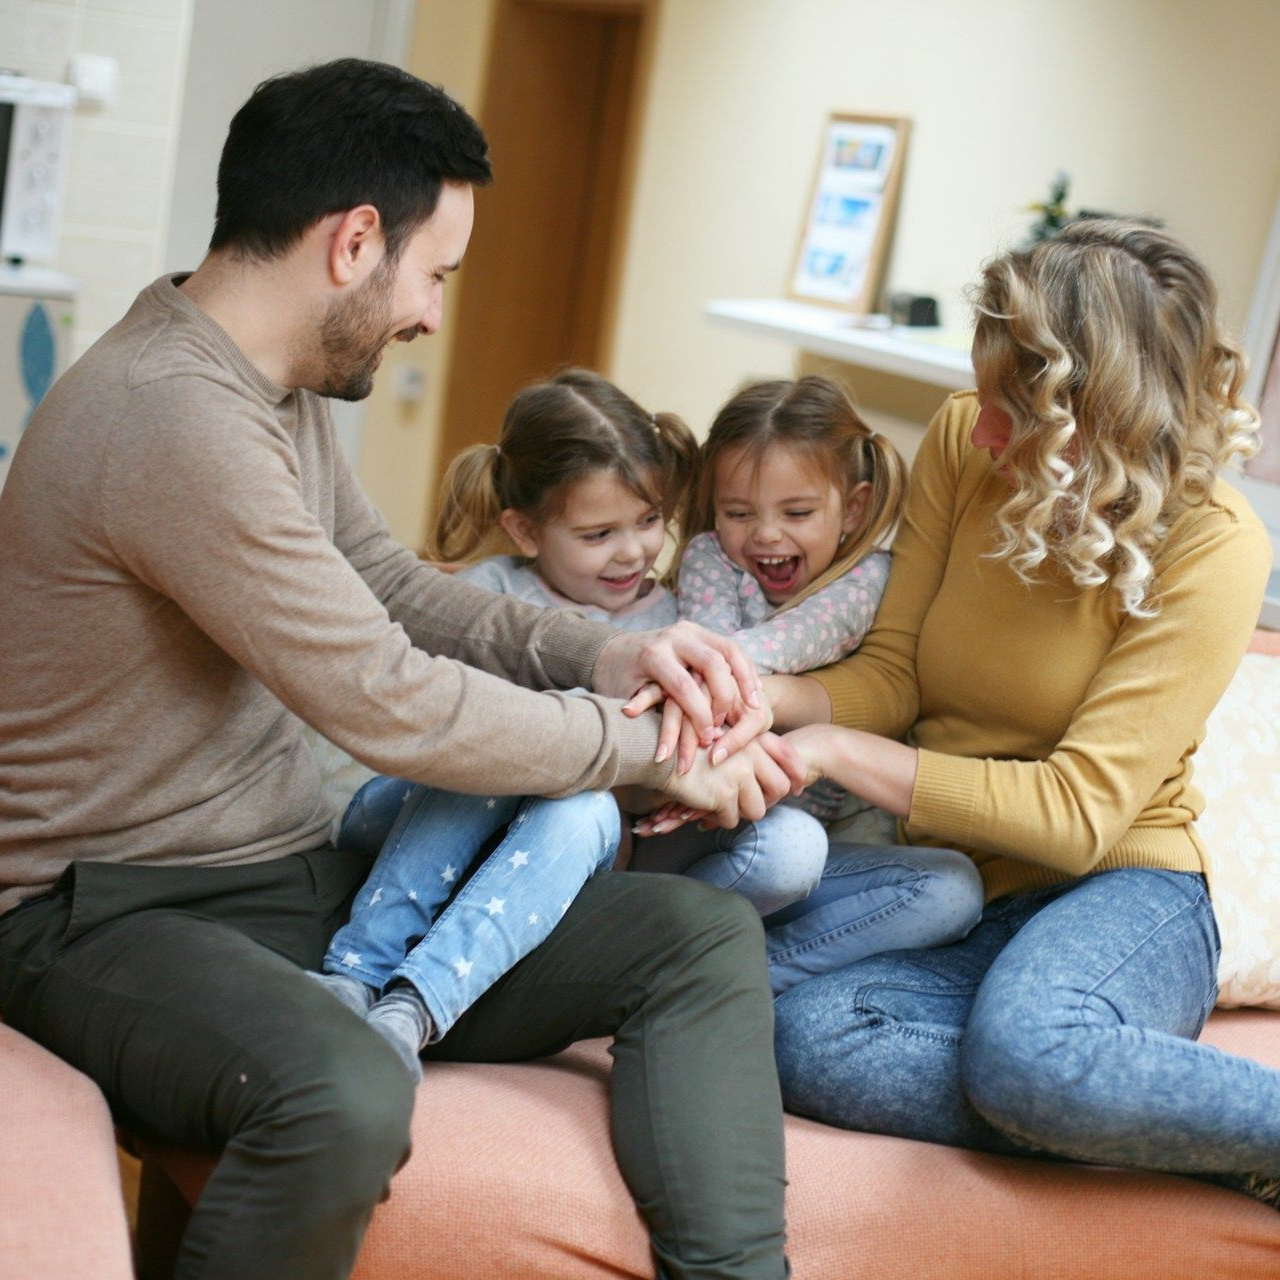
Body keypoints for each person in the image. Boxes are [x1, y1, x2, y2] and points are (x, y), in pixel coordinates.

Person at [0, 60, 801, 1280]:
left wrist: (616, 648)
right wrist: (655, 750)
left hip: (269, 878)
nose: (431, 313)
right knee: (342, 1088)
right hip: (95, 908)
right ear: (353, 242)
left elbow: (399, 586)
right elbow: (389, 699)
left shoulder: (264, 388)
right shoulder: (169, 416)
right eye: (434, 273)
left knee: (688, 939)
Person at [764, 219, 1280, 1208]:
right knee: (804, 1033)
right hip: (963, 893)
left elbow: (1078, 812)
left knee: (1025, 1049)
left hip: (1125, 894)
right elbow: (896, 672)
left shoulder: (1213, 544)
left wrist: (833, 750)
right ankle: (1144, 1115)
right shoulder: (965, 442)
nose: (979, 423)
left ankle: (1090, 1082)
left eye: (1013, 407)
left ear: (1100, 411)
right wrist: (771, 698)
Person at [314, 368, 698, 1074]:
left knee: (581, 807)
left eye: (649, 522)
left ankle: (413, 1010)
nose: (633, 551)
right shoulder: (488, 594)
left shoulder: (672, 623)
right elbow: (438, 730)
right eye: (597, 532)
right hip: (414, 810)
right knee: (503, 752)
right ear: (524, 529)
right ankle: (355, 974)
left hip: (556, 850)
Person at [632, 376, 983, 991]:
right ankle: (647, 956)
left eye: (796, 513)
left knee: (953, 889)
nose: (765, 534)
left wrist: (722, 682)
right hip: (719, 824)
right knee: (788, 851)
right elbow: (712, 666)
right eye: (739, 513)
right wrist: (713, 689)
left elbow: (771, 650)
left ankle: (735, 981)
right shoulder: (712, 558)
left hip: (818, 845)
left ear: (851, 509)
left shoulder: (870, 577)